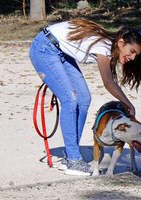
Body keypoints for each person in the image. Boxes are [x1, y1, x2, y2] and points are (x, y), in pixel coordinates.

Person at [29, 18, 141, 176]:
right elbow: (108, 82)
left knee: (83, 99)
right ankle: (73, 160)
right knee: (70, 99)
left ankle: (71, 155)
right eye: (132, 52)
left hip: (60, 52)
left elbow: (111, 80)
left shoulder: (110, 46)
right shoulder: (104, 47)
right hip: (44, 48)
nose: (133, 57)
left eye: (137, 55)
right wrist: (128, 103)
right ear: (121, 43)